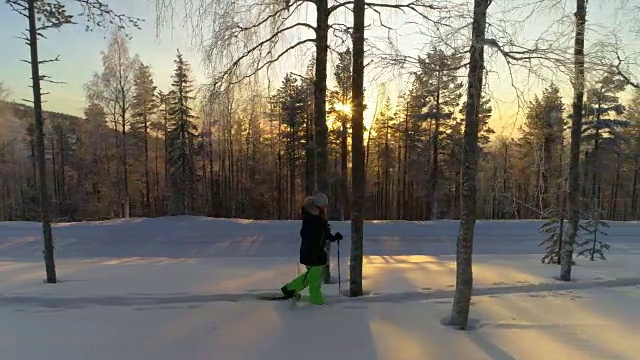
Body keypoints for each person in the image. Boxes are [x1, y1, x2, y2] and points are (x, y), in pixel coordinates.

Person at [280, 192, 343, 305]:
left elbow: (324, 233)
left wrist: (333, 238)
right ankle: (317, 302)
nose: (325, 207)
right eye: (324, 205)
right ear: (319, 205)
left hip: (313, 253)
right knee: (315, 280)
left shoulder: (316, 216)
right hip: (313, 254)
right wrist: (315, 250)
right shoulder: (313, 219)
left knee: (311, 277)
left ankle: (290, 289)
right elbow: (310, 236)